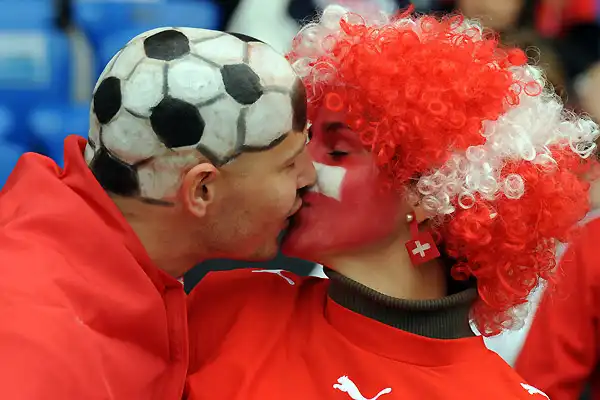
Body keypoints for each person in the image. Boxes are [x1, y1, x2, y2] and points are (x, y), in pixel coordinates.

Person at [184, 5, 598, 399]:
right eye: (305, 141)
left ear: (428, 195)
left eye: (338, 152)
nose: (300, 170)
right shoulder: (225, 307)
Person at [0, 27, 313, 399]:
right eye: (289, 164)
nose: (309, 177)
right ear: (202, 190)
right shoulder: (37, 352)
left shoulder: (89, 259)